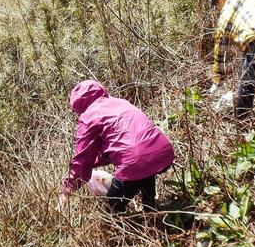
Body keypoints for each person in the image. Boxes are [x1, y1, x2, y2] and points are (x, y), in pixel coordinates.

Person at [62, 80, 175, 214]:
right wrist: (94, 163)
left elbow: (82, 160)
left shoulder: (88, 117)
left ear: (78, 106)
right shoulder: (120, 102)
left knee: (112, 205)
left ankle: (124, 229)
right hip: (164, 152)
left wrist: (66, 190)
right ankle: (150, 209)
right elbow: (121, 144)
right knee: (144, 167)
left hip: (136, 161)